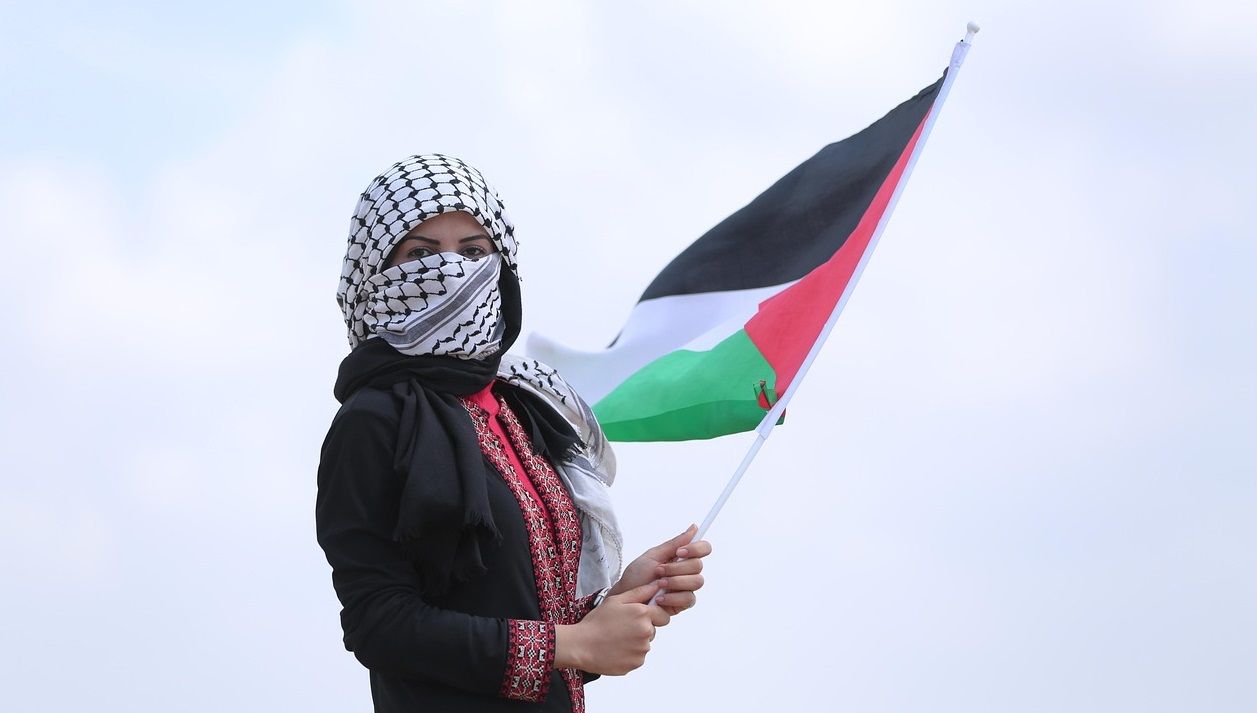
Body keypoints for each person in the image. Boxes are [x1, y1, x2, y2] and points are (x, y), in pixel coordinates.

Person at [316, 154, 712, 712]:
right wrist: (572, 644)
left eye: (474, 252)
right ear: (377, 271)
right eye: (422, 254)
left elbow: (528, 616)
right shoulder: (372, 421)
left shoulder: (524, 407)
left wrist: (620, 601)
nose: (452, 270)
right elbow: (379, 623)